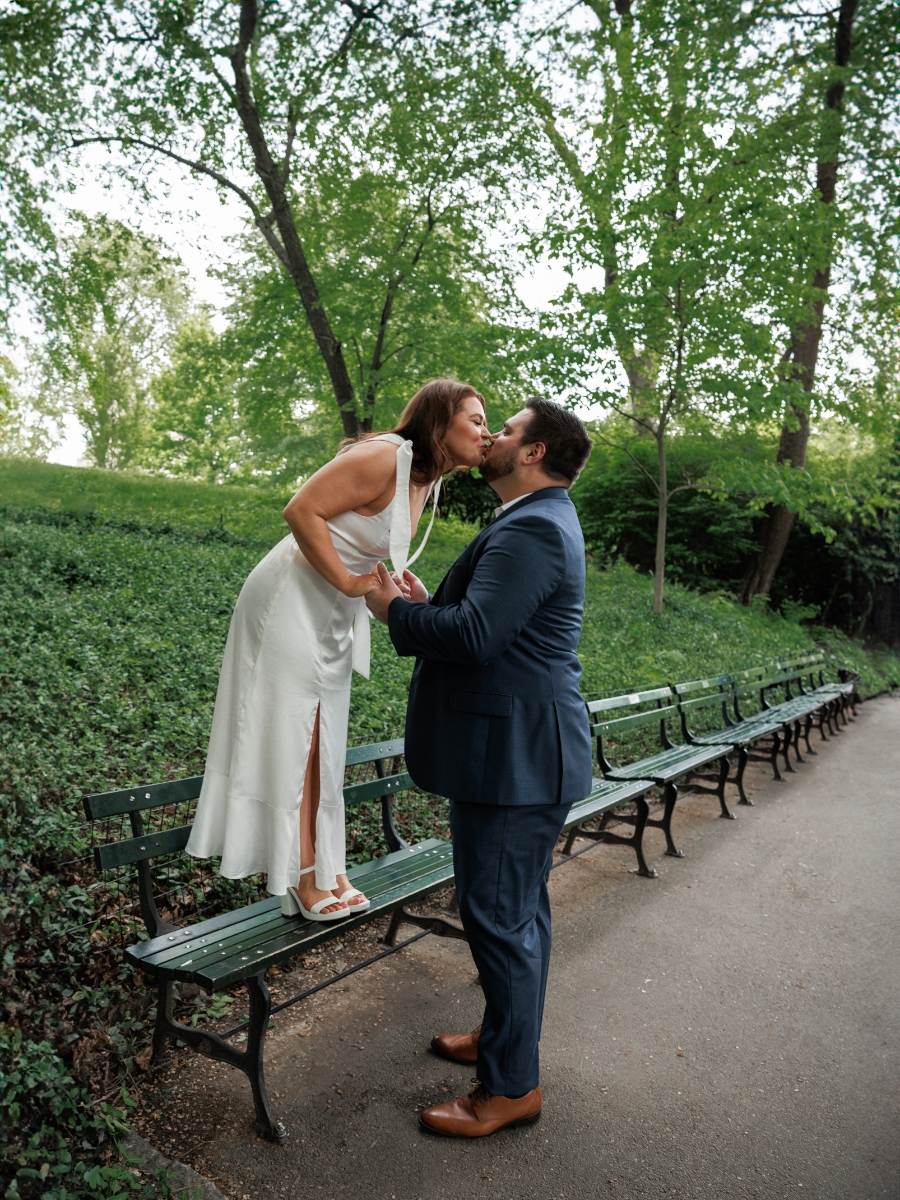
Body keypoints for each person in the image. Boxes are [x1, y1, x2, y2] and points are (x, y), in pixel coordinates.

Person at [365, 397, 594, 1137]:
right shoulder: (534, 520)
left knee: (500, 919)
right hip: (522, 754)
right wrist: (435, 601)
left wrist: (393, 613)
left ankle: (510, 1090)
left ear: (533, 454)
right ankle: (503, 1042)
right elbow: (488, 620)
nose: (492, 438)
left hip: (517, 762)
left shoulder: (533, 528)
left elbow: (475, 639)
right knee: (516, 914)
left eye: (508, 431)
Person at [186, 380, 490, 922]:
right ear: (440, 421)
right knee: (295, 738)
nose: (486, 433)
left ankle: (328, 867)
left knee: (325, 740)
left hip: (333, 618)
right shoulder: (383, 456)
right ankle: (299, 877)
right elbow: (302, 510)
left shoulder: (429, 480)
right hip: (288, 601)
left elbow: (370, 568)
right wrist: (348, 583)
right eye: (476, 419)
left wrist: (398, 604)